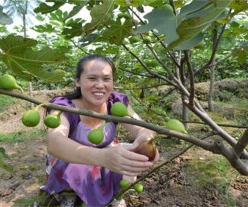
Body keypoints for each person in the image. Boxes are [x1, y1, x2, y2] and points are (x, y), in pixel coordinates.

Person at [39, 54, 159, 207]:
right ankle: (70, 196)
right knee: (78, 168)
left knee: (127, 156)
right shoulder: (63, 107)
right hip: (72, 162)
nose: (100, 85)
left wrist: (147, 139)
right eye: (92, 78)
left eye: (106, 79)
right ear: (78, 82)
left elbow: (142, 128)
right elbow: (55, 142)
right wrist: (103, 157)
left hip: (105, 157)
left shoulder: (116, 103)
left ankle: (107, 195)